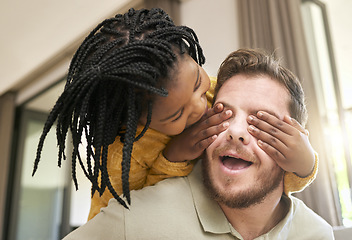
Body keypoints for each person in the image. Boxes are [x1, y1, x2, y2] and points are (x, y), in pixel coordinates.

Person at [33, 7, 317, 222]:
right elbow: (123, 219)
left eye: (197, 83)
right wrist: (173, 157)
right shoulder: (121, 155)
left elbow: (264, 183)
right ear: (136, 123)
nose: (200, 106)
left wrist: (305, 163)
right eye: (176, 115)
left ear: (192, 56)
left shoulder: (218, 91)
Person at [62, 48, 333, 240]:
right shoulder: (131, 218)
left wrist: (306, 161)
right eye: (223, 114)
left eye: (261, 122)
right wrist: (173, 153)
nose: (235, 131)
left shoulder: (319, 234)